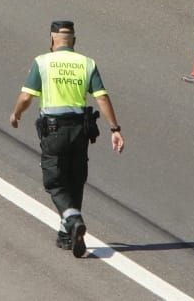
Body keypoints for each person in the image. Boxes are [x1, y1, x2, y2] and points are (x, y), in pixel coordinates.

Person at [8, 19, 124, 258]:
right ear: (74, 41)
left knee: (55, 181)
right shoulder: (86, 63)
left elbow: (27, 97)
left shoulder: (43, 62)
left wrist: (16, 113)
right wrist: (115, 129)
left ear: (52, 39)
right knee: (76, 178)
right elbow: (101, 97)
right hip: (80, 130)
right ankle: (67, 234)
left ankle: (72, 219)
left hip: (54, 130)